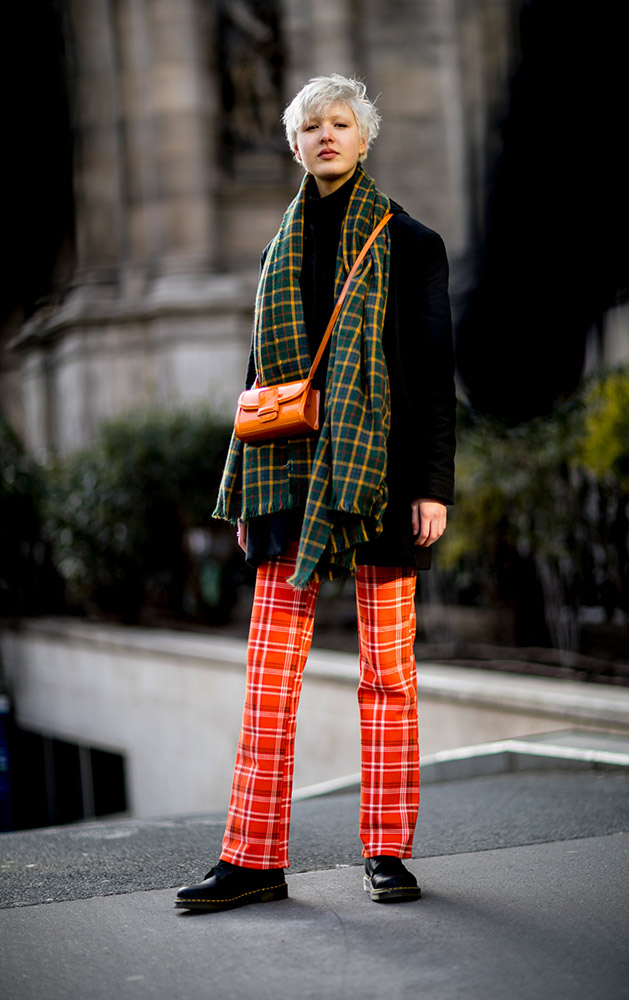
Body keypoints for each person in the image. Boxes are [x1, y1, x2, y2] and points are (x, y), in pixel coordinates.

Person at [175, 73, 456, 911]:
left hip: (381, 479)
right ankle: (253, 858)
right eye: (311, 125)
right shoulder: (278, 247)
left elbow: (432, 382)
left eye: (341, 123)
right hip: (287, 478)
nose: (326, 135)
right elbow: (261, 376)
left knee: (387, 675)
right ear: (294, 144)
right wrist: (248, 491)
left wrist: (432, 487)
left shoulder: (410, 243)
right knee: (270, 676)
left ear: (364, 140)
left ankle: (387, 852)